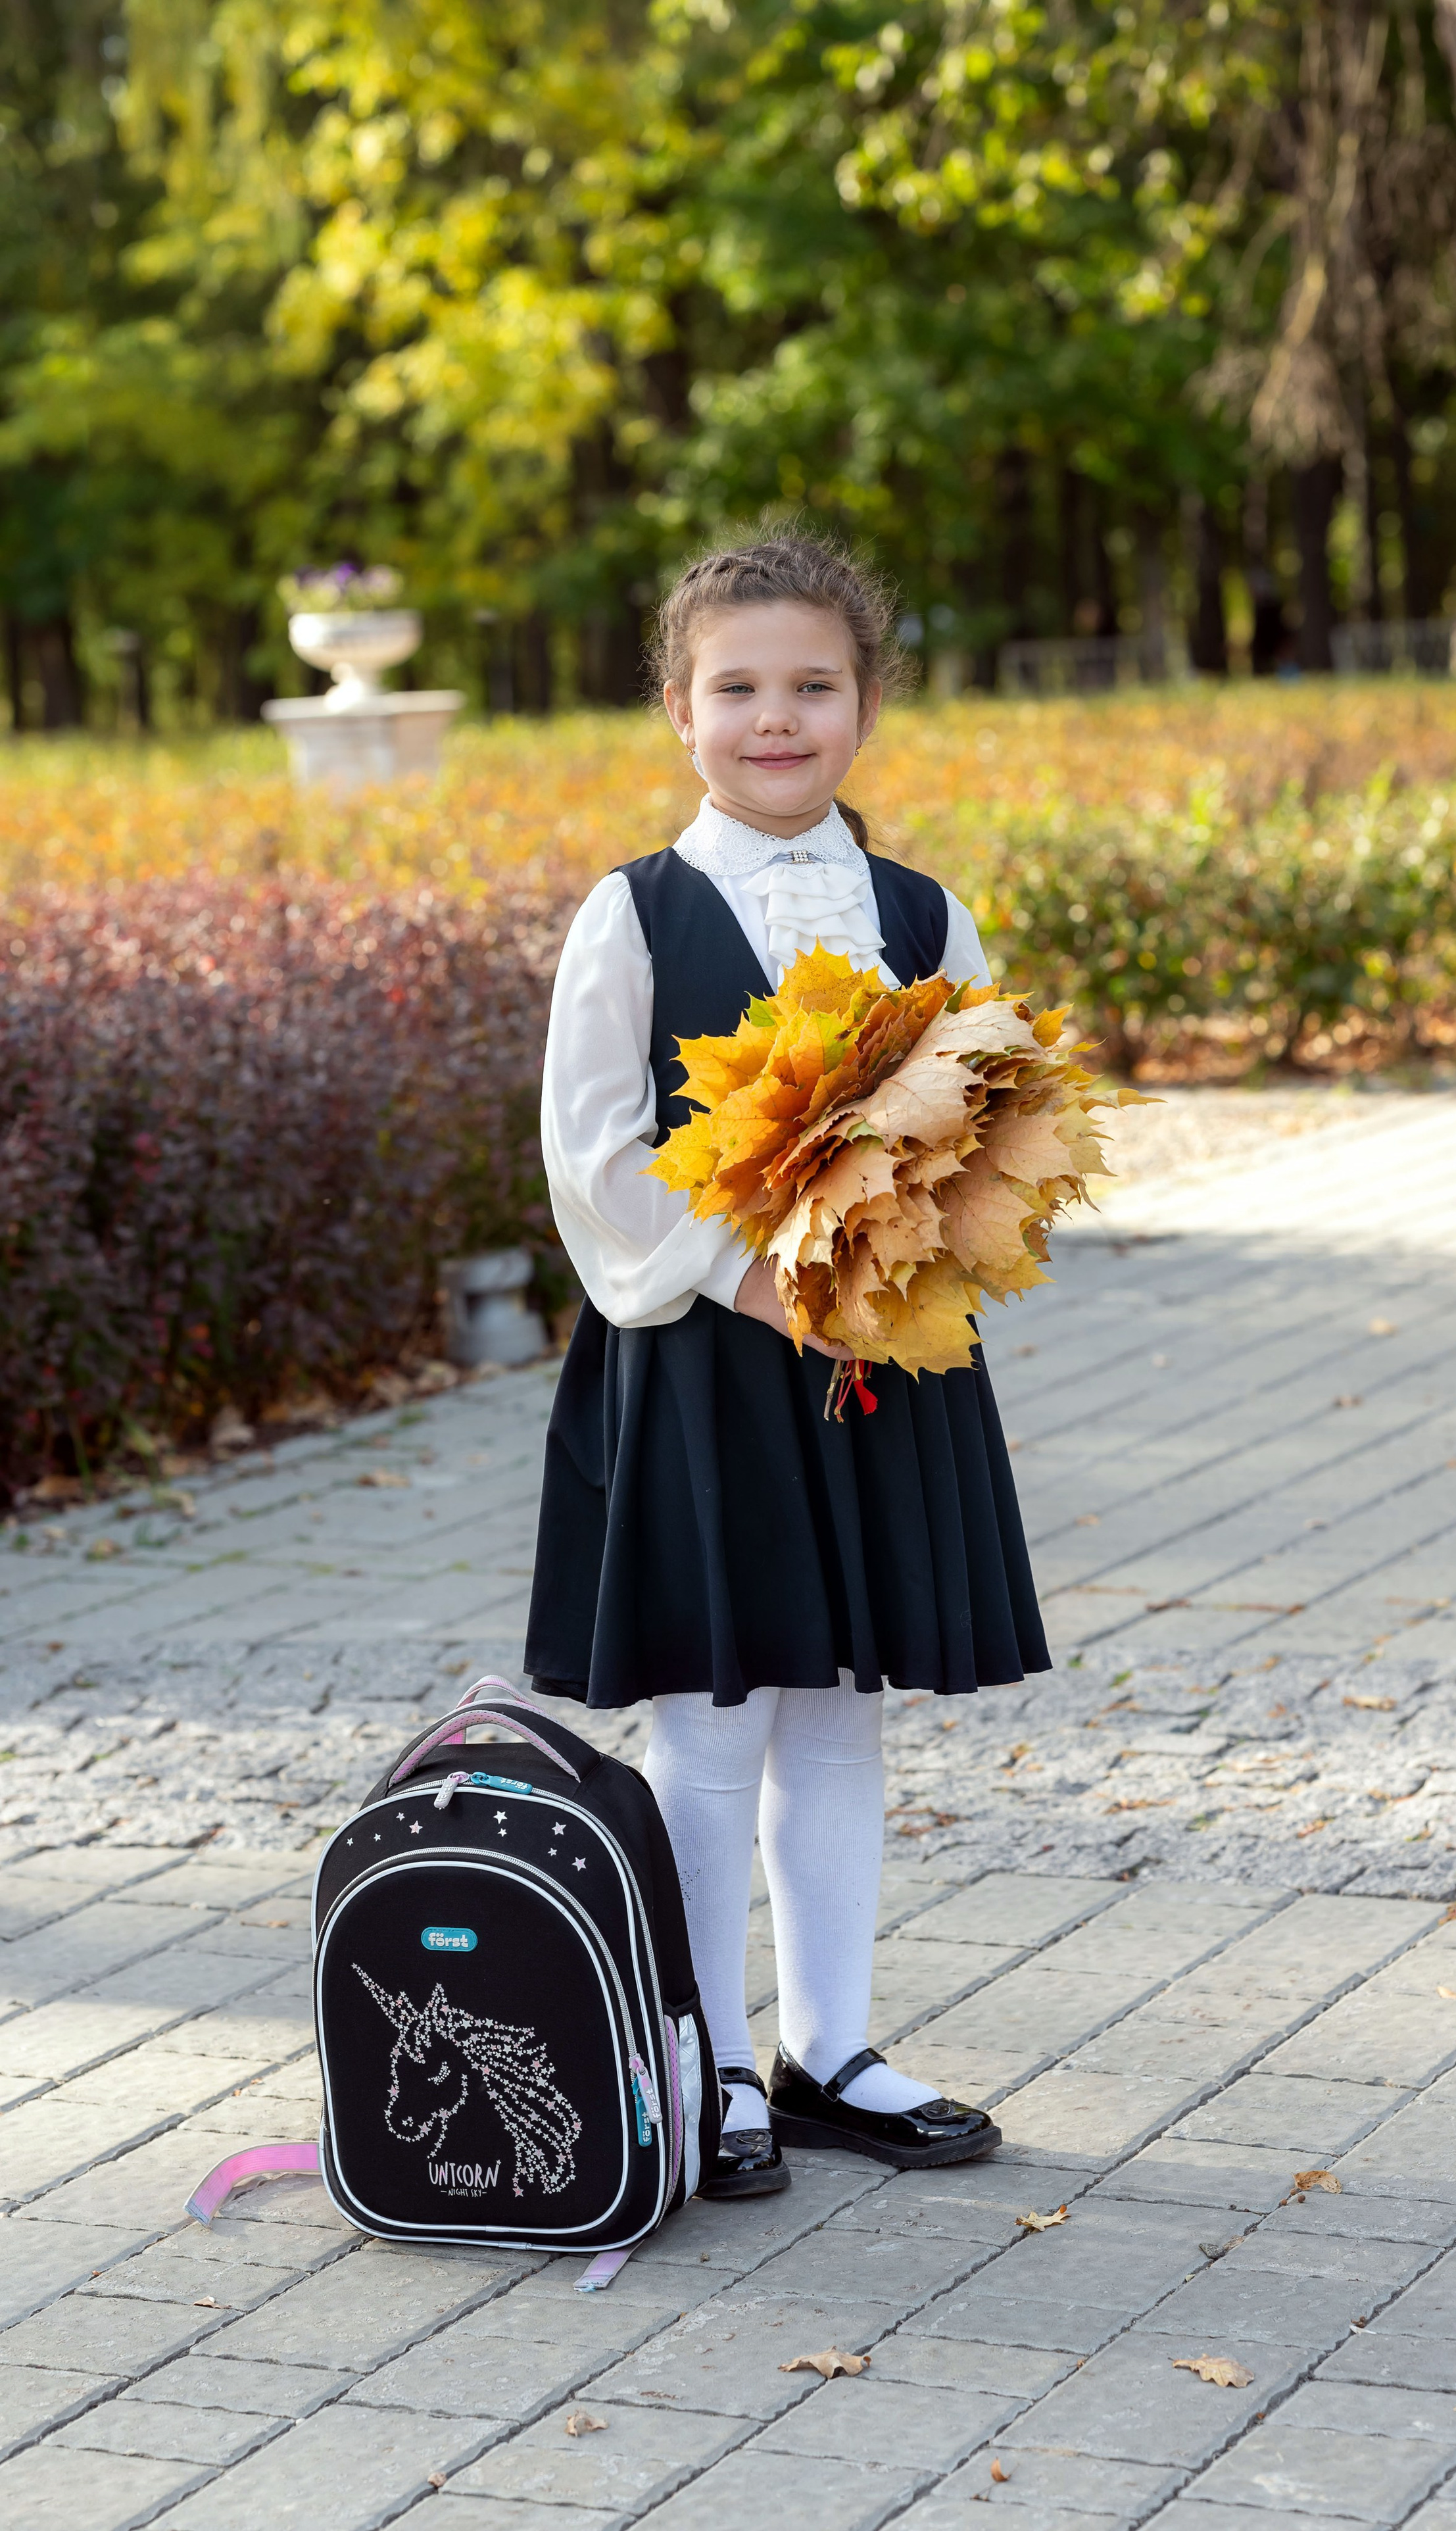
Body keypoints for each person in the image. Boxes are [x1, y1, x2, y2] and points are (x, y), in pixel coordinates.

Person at [524, 534, 1049, 2197]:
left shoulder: (923, 914)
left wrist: (908, 1256)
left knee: (835, 1706)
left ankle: (830, 2048)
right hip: (704, 1364)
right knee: (712, 1716)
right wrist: (750, 1276)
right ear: (677, 711)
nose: (776, 717)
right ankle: (704, 2059)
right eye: (737, 687)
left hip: (874, 1361)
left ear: (863, 705)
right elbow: (594, 1153)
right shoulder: (632, 914)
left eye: (812, 685)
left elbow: (988, 1117)